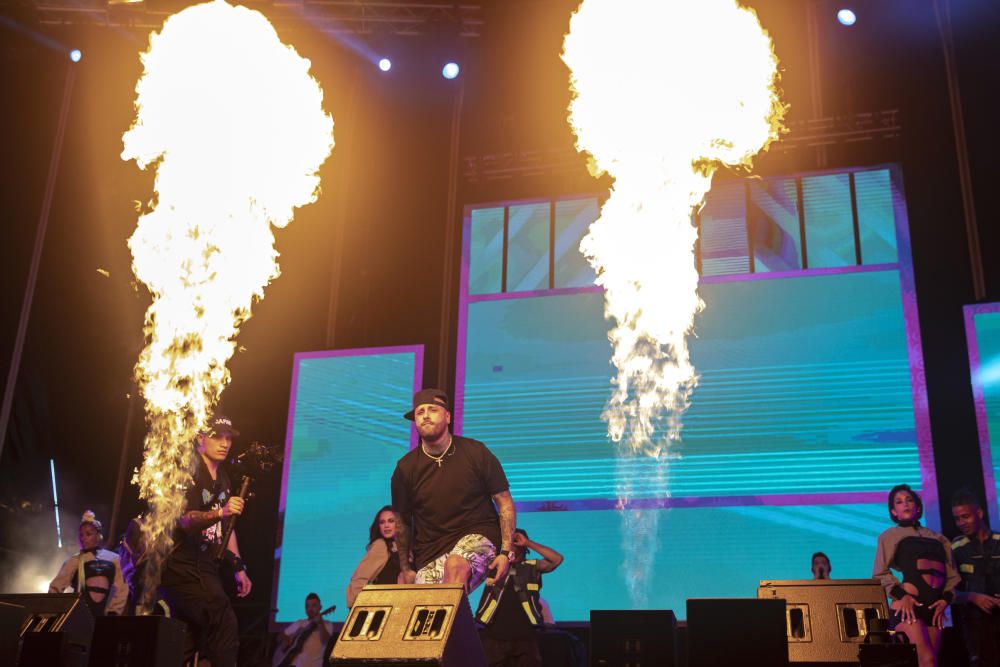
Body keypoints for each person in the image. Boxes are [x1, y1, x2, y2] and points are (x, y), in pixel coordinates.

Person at [391, 388, 516, 593]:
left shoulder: (475, 452)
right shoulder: (405, 469)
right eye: (420, 412)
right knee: (428, 617)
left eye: (432, 410)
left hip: (479, 535)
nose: (425, 416)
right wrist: (406, 568)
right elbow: (402, 522)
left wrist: (505, 552)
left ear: (447, 417)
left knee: (455, 565)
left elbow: (504, 502)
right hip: (431, 551)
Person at [158, 415, 253, 667]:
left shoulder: (224, 479)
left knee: (186, 640)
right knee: (222, 620)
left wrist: (239, 568)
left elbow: (227, 527)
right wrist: (221, 511)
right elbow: (186, 521)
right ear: (201, 438)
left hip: (205, 567)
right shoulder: (188, 472)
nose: (225, 443)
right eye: (217, 436)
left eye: (228, 437)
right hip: (182, 566)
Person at [873, 484, 959, 667]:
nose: (905, 504)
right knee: (926, 660)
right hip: (908, 607)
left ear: (918, 507)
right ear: (893, 511)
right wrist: (902, 596)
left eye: (909, 500)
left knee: (930, 662)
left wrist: (945, 600)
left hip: (934, 609)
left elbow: (952, 577)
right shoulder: (889, 536)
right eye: (899, 502)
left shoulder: (939, 539)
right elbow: (879, 573)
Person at [476, 528, 564, 667]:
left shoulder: (532, 567)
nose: (511, 545)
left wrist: (528, 542)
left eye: (515, 541)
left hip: (525, 637)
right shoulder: (494, 565)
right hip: (493, 636)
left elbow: (556, 559)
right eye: (508, 542)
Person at [950, 487, 1000, 665]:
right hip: (975, 627)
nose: (961, 522)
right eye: (957, 519)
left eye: (966, 516)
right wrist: (972, 597)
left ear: (979, 513)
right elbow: (950, 594)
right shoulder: (956, 549)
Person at [49, 510, 127, 617]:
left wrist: (113, 613)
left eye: (88, 534)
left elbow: (122, 588)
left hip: (104, 618)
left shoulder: (114, 559)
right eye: (81, 534)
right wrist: (51, 615)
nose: (83, 538)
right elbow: (55, 589)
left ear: (98, 535)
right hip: (79, 617)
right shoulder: (74, 561)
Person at [346, 505, 411, 607]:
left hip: (402, 604)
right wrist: (355, 607)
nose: (386, 525)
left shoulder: (403, 548)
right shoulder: (381, 545)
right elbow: (359, 578)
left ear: (399, 523)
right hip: (386, 606)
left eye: (390, 521)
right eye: (382, 522)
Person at [275, 592, 334, 667]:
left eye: (313, 605)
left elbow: (325, 640)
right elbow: (280, 636)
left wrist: (320, 623)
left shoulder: (327, 624)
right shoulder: (300, 623)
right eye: (307, 606)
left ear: (320, 607)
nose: (310, 609)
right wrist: (285, 639)